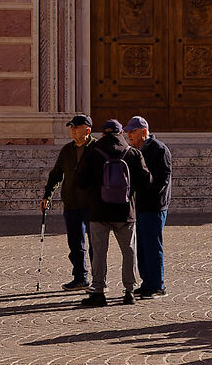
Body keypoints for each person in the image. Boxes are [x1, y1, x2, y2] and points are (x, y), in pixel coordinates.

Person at [77, 119, 148, 306]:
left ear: (102, 135)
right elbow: (146, 180)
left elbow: (81, 181)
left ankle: (99, 291)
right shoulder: (132, 153)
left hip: (99, 211)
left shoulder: (92, 152)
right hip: (126, 212)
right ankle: (129, 292)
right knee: (129, 251)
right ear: (121, 134)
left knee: (99, 252)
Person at [41, 115, 96, 290]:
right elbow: (56, 174)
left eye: (76, 127)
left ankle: (99, 280)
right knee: (75, 244)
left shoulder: (96, 149)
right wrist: (47, 196)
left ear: (87, 130)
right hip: (71, 204)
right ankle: (80, 277)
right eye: (71, 127)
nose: (72, 129)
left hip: (92, 204)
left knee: (96, 244)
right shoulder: (67, 150)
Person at [124, 115, 171, 297]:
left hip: (155, 206)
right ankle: (147, 282)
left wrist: (144, 187)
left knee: (152, 245)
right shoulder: (135, 151)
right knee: (142, 246)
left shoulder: (159, 150)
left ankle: (157, 284)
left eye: (132, 132)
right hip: (141, 206)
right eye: (127, 131)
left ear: (143, 132)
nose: (129, 135)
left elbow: (162, 180)